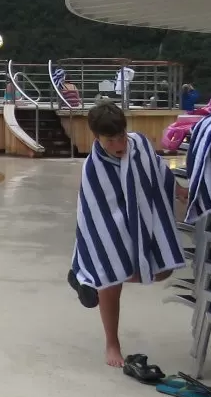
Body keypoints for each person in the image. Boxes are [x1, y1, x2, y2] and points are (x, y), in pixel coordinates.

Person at [68, 102, 187, 368]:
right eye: (110, 140)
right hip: (112, 227)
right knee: (111, 277)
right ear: (96, 138)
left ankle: (89, 279)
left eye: (121, 136)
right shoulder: (94, 167)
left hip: (141, 219)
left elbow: (157, 167)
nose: (119, 144)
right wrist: (111, 252)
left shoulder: (140, 144)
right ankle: (112, 342)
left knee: (163, 270)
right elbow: (94, 212)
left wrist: (178, 189)